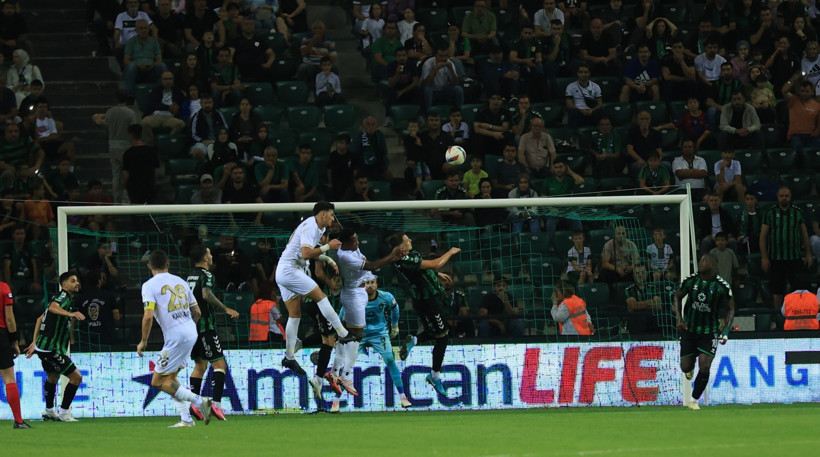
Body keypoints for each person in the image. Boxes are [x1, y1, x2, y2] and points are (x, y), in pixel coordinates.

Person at [275, 201, 357, 375]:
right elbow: (306, 254)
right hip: (290, 270)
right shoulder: (311, 225)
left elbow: (307, 252)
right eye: (331, 214)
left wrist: (328, 259)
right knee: (321, 297)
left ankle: (289, 357)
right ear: (322, 215)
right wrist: (328, 247)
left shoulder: (318, 229)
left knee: (295, 314)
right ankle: (342, 333)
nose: (333, 218)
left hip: (287, 269)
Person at [136, 250, 213, 427]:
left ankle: (201, 402)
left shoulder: (149, 285)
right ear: (168, 264)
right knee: (170, 379)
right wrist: (186, 327)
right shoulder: (180, 281)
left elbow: (148, 316)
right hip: (190, 331)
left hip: (176, 336)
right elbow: (197, 312)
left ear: (149, 266)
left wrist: (143, 341)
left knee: (157, 382)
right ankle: (186, 419)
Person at [325, 229, 405, 398]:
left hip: (359, 293)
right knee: (355, 335)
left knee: (351, 335)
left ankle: (336, 372)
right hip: (353, 294)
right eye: (354, 241)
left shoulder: (353, 249)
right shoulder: (345, 257)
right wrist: (392, 254)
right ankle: (341, 374)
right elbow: (373, 265)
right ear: (346, 243)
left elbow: (368, 264)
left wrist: (393, 258)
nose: (358, 243)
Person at [387, 232, 460, 396]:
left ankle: (414, 339)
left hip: (421, 300)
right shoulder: (405, 260)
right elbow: (435, 264)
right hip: (429, 301)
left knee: (434, 331)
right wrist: (450, 252)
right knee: (443, 336)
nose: (410, 240)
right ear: (401, 246)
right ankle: (434, 376)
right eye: (406, 240)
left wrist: (436, 275)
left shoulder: (409, 256)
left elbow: (425, 269)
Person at [186, 244, 239, 422]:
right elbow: (207, 294)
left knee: (200, 366)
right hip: (205, 327)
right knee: (220, 366)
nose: (211, 256)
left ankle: (194, 404)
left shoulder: (189, 276)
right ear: (204, 258)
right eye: (209, 253)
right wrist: (225, 309)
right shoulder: (206, 275)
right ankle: (216, 404)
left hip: (191, 328)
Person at [23, 272, 86, 422]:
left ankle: (50, 411)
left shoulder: (65, 299)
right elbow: (52, 308)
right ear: (64, 285)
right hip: (51, 348)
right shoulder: (62, 297)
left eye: (77, 280)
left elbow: (40, 318)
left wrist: (34, 342)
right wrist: (70, 314)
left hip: (44, 347)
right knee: (76, 377)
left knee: (53, 376)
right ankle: (64, 413)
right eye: (73, 281)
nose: (77, 283)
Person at [674, 253, 734, 410]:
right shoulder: (691, 280)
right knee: (685, 367)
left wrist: (726, 329)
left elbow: (731, 308)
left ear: (713, 265)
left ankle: (694, 400)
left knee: (705, 365)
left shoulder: (722, 286)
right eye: (700, 260)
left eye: (704, 261)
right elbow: (677, 296)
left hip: (709, 332)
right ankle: (690, 368)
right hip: (689, 330)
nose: (700, 263)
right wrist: (679, 319)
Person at [760, 187, 813, 320]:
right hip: (775, 258)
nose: (784, 198)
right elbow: (763, 237)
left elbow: (804, 235)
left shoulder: (798, 212)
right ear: (778, 197)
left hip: (794, 258)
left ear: (790, 197)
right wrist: (764, 257)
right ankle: (779, 318)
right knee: (777, 290)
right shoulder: (770, 213)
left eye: (787, 196)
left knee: (797, 289)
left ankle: (797, 317)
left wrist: (808, 254)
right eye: (782, 196)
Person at [92, 90, 138, 204]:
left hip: (113, 145)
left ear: (115, 99)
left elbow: (106, 127)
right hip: (126, 146)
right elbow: (134, 129)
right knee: (128, 173)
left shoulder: (110, 112)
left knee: (116, 174)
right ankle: (127, 198)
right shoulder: (130, 113)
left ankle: (117, 201)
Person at [0, 279, 30, 428]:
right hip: (0, 336)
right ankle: (18, 421)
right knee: (9, 379)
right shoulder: (3, 288)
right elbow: (10, 318)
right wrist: (14, 341)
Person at [75, 269, 120, 346]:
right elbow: (117, 316)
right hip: (107, 337)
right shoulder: (109, 295)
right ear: (99, 281)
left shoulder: (80, 298)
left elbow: (76, 320)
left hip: (87, 338)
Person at [781, 76, 820, 156]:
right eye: (802, 91)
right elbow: (784, 91)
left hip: (811, 135)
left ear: (812, 92)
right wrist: (792, 80)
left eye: (807, 91)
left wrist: (817, 132)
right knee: (797, 151)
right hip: (796, 135)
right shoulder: (793, 100)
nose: (804, 93)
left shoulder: (817, 105)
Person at [420, 47, 464, 115]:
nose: (443, 58)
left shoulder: (449, 63)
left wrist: (451, 70)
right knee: (427, 90)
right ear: (435, 56)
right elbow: (426, 84)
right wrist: (435, 69)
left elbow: (456, 83)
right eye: (441, 56)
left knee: (458, 89)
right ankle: (427, 116)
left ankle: (458, 114)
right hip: (431, 91)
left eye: (445, 56)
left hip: (443, 91)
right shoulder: (428, 63)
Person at [565, 63, 604, 129]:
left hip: (592, 111)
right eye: (581, 72)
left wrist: (592, 110)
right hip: (578, 111)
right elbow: (569, 104)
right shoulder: (570, 86)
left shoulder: (595, 86)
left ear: (589, 73)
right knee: (572, 111)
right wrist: (581, 110)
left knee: (602, 110)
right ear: (577, 73)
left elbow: (600, 104)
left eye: (586, 72)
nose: (583, 74)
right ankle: (574, 135)